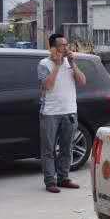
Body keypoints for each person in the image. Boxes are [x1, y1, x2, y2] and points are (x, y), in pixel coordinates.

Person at [38, 33, 87, 193]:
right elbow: (48, 86)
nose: (66, 48)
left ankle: (63, 178)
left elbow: (82, 81)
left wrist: (72, 64)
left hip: (70, 111)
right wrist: (57, 65)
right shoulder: (44, 64)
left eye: (67, 45)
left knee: (67, 147)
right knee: (49, 149)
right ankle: (50, 181)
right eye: (62, 45)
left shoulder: (70, 63)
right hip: (50, 113)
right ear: (53, 48)